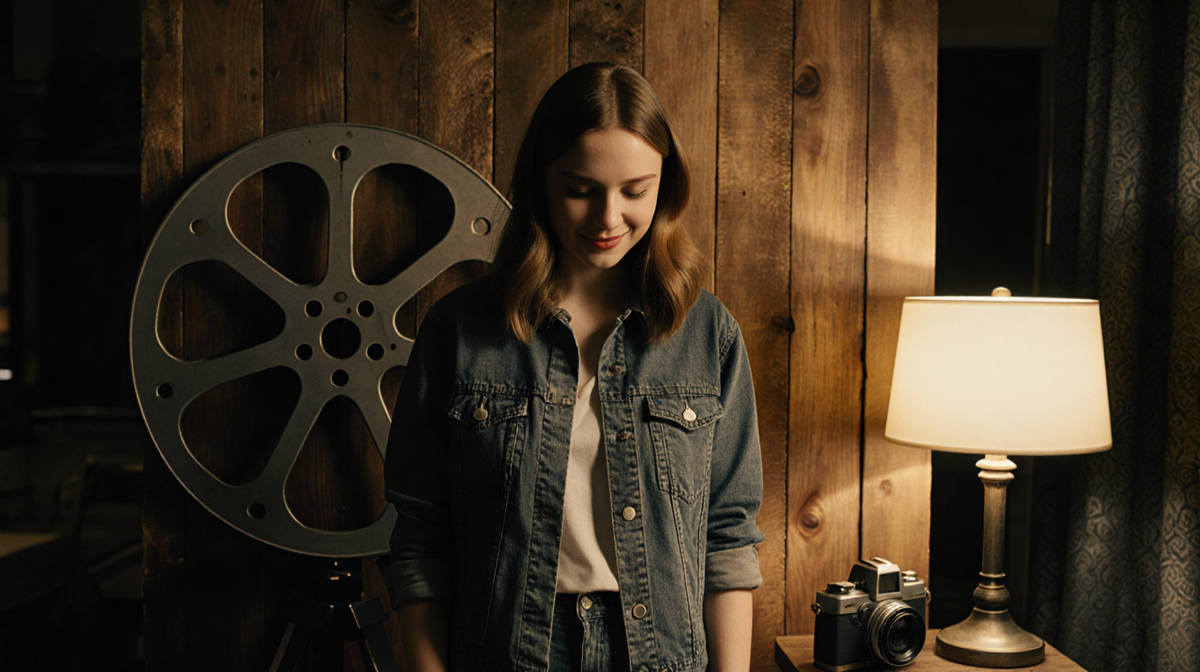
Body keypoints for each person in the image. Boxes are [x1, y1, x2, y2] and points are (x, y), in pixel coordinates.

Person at [382, 62, 764, 672]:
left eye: (635, 190)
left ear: (666, 186)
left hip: (660, 654)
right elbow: (420, 544)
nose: (608, 218)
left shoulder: (707, 333)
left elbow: (727, 537)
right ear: (540, 181)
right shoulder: (458, 330)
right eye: (581, 188)